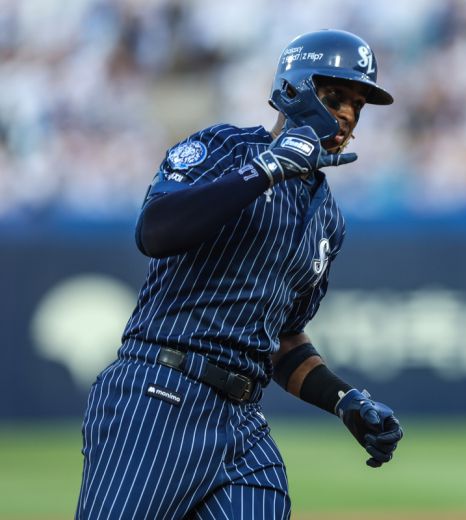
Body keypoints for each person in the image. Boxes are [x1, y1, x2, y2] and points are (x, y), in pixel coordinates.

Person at [75, 29, 403, 520]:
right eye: (336, 96)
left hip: (242, 419)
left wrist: (343, 399)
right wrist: (266, 169)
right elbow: (155, 230)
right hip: (159, 393)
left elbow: (284, 341)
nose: (349, 114)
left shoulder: (328, 218)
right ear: (293, 89)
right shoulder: (224, 147)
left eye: (358, 104)